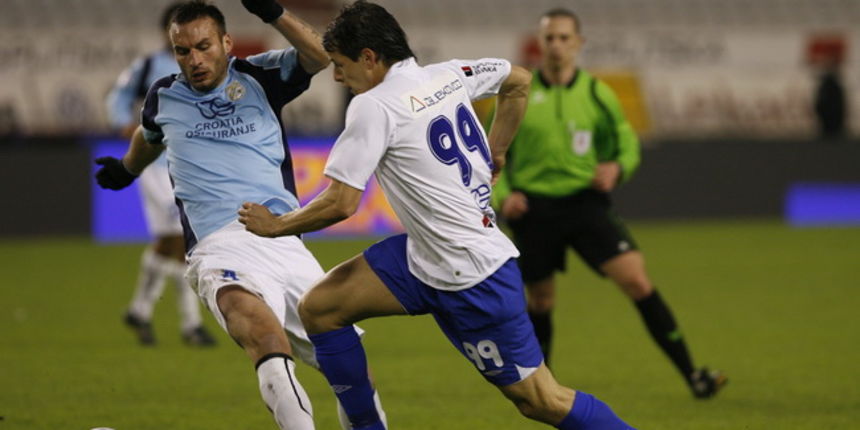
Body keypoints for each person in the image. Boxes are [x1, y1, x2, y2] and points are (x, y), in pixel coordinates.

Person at [238, 2, 636, 428]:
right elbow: (519, 81)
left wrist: (278, 226)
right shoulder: (448, 75)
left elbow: (341, 203)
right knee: (318, 308)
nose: (336, 76)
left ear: (369, 58)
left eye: (339, 64)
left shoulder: (374, 106)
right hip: (423, 256)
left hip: (472, 274)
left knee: (542, 400)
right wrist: (496, 149)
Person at [95, 1, 386, 428]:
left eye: (203, 46)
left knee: (350, 370)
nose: (194, 60)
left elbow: (320, 56)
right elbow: (148, 134)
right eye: (182, 51)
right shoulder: (164, 96)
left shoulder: (260, 77)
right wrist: (127, 168)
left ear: (226, 43)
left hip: (282, 237)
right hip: (219, 246)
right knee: (264, 337)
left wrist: (272, 11)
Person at [491, 8, 727, 398]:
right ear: (540, 43)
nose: (556, 45)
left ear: (579, 44)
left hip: (585, 205)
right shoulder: (519, 93)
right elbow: (491, 155)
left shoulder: (597, 94)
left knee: (636, 280)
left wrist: (617, 168)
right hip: (534, 210)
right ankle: (543, 392)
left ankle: (693, 375)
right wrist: (505, 195)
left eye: (565, 38)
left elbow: (626, 143)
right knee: (542, 300)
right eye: (549, 38)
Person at [105, 1, 215, 347]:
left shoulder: (208, 66)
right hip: (154, 164)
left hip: (190, 162)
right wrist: (123, 123)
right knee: (183, 241)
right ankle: (190, 325)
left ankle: (140, 310)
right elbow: (118, 96)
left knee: (170, 243)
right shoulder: (151, 65)